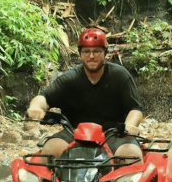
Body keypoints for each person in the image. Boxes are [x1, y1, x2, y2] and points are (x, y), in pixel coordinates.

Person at [27, 27, 144, 160]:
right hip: (74, 133)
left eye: (96, 51)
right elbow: (43, 98)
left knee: (131, 155)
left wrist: (130, 125)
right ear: (80, 54)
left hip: (114, 134)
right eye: (86, 51)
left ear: (105, 53)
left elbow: (135, 108)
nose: (91, 56)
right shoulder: (69, 79)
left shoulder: (120, 76)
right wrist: (35, 107)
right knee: (49, 150)